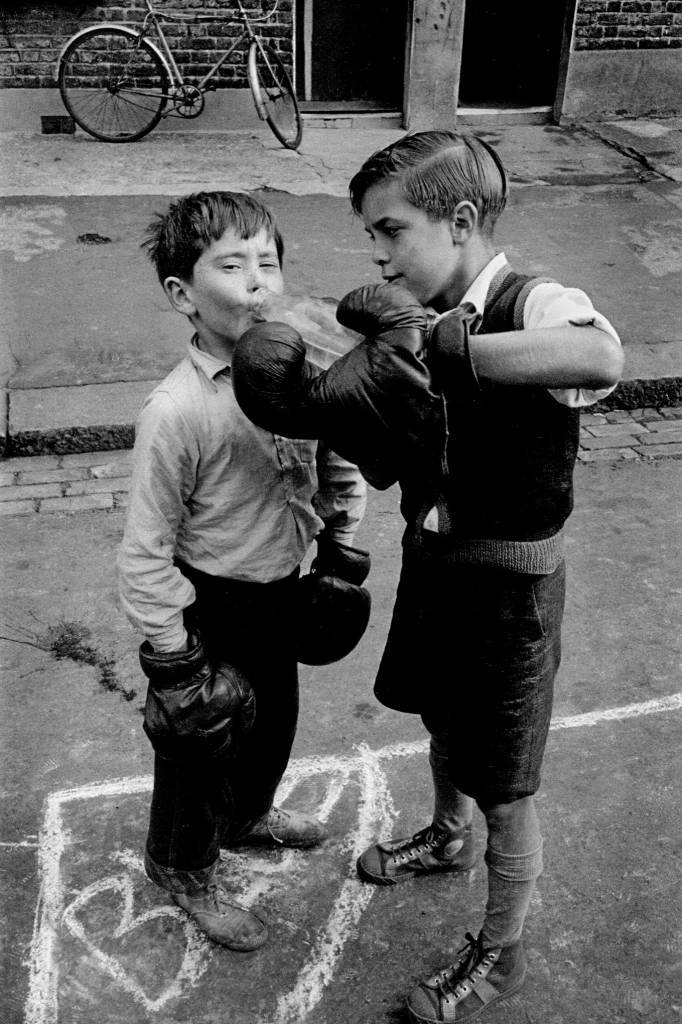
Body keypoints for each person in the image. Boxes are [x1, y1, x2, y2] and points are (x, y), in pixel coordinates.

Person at [228, 132, 624, 1020]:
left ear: (460, 220)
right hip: (434, 569)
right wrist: (338, 415)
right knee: (441, 717)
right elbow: (384, 451)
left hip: (512, 594)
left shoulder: (535, 301)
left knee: (508, 783)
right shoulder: (401, 325)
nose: (377, 252)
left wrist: (448, 353)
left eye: (390, 230)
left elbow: (601, 358)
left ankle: (501, 952)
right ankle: (446, 837)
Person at [117, 191, 367, 953]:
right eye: (233, 264)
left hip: (283, 590)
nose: (259, 280)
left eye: (270, 261)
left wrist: (342, 537)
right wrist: (174, 659)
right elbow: (144, 550)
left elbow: (335, 454)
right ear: (183, 295)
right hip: (211, 601)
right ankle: (181, 862)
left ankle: (249, 814)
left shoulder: (297, 376)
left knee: (271, 729)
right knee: (200, 746)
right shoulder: (178, 410)